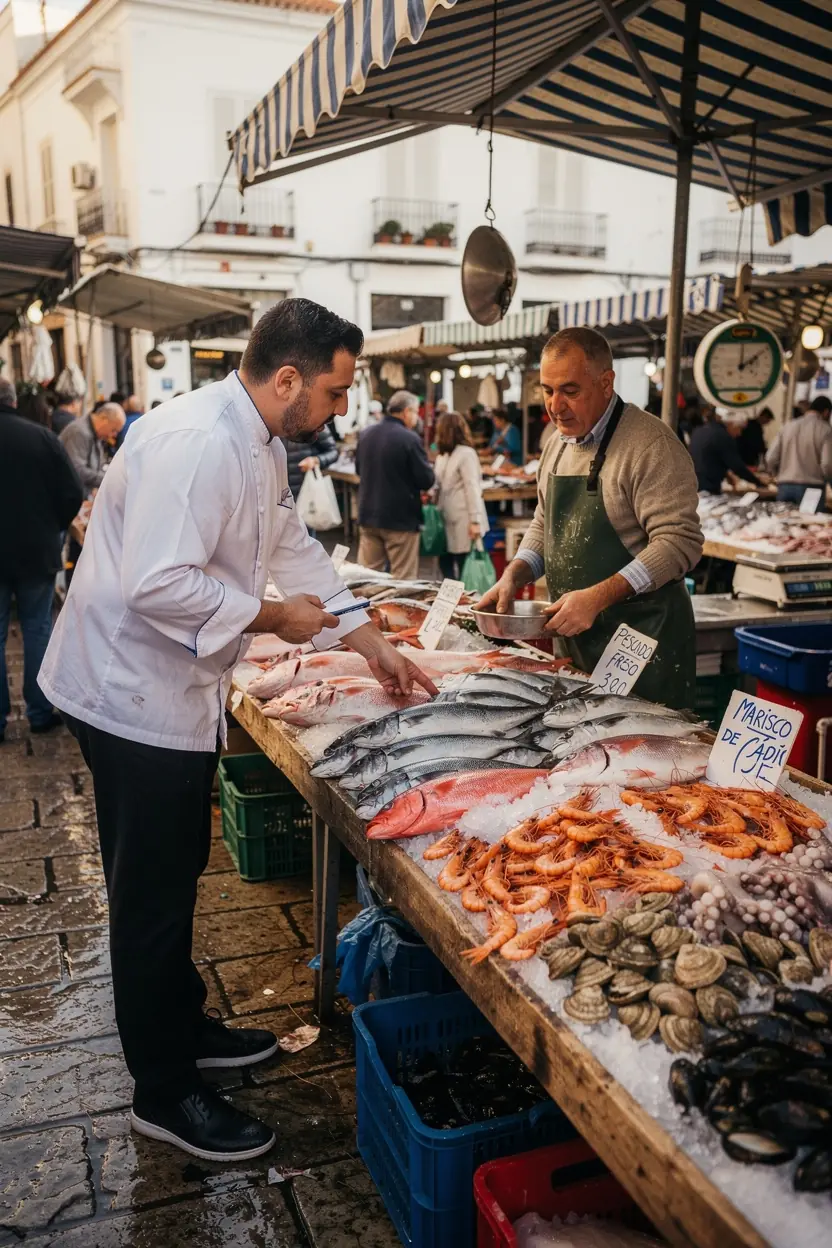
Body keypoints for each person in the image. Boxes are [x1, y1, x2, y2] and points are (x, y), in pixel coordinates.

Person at [37, 298, 437, 1163]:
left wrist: (366, 641)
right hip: (128, 695)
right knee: (150, 895)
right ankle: (163, 1090)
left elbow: (291, 542)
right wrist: (269, 619)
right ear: (286, 377)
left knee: (177, 867)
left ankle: (181, 1024)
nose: (339, 411)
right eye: (333, 393)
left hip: (171, 690)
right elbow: (158, 583)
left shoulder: (259, 439)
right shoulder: (201, 441)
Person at [475, 327, 703, 709]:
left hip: (644, 647)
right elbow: (545, 523)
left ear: (606, 382)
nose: (555, 405)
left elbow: (679, 543)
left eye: (570, 390)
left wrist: (599, 596)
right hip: (577, 641)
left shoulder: (650, 445)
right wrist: (517, 572)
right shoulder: (556, 445)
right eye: (547, 390)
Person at [0, 378, 83, 742]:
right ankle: (38, 711)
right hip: (36, 551)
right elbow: (72, 493)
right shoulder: (41, 437)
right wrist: (54, 528)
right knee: (37, 628)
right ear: (13, 400)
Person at [355, 390, 435, 579]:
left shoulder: (366, 434)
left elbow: (359, 470)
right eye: (416, 412)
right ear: (407, 412)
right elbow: (426, 480)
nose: (417, 417)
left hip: (368, 516)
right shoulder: (409, 439)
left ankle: (365, 609)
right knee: (402, 581)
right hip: (401, 520)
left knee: (366, 578)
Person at [434, 411, 489, 581]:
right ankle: (455, 601)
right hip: (451, 518)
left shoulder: (463, 454)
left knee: (463, 565)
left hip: (464, 519)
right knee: (450, 564)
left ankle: (463, 601)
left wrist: (475, 521)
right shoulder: (445, 455)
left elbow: (471, 486)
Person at [766, 395, 832, 512]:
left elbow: (770, 457)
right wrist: (827, 479)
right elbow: (827, 464)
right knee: (810, 527)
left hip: (784, 486)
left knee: (782, 526)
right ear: (826, 412)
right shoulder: (825, 429)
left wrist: (777, 474)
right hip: (812, 488)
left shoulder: (787, 426)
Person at [689, 408, 761, 495]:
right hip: (708, 487)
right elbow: (737, 466)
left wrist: (728, 475)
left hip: (693, 485)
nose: (739, 433)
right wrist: (758, 482)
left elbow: (712, 458)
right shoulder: (722, 436)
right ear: (731, 424)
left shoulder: (700, 430)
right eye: (739, 428)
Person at [60, 402, 125, 495]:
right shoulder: (79, 432)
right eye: (113, 430)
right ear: (104, 419)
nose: (114, 435)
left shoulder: (95, 434)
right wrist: (109, 478)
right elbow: (76, 470)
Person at [281, 422, 338, 500]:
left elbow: (333, 452)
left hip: (307, 487)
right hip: (282, 492)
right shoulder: (277, 424)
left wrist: (316, 460)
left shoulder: (313, 420)